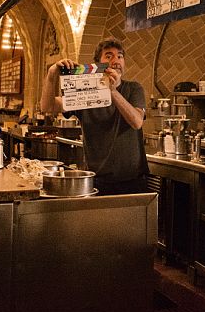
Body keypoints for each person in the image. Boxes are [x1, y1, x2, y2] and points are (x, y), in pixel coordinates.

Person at [40, 37, 149, 195]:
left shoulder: (134, 88)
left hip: (133, 179)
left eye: (120, 56)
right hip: (98, 179)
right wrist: (51, 75)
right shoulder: (86, 90)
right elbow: (47, 106)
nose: (116, 60)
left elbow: (137, 122)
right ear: (98, 63)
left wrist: (111, 91)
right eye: (109, 56)